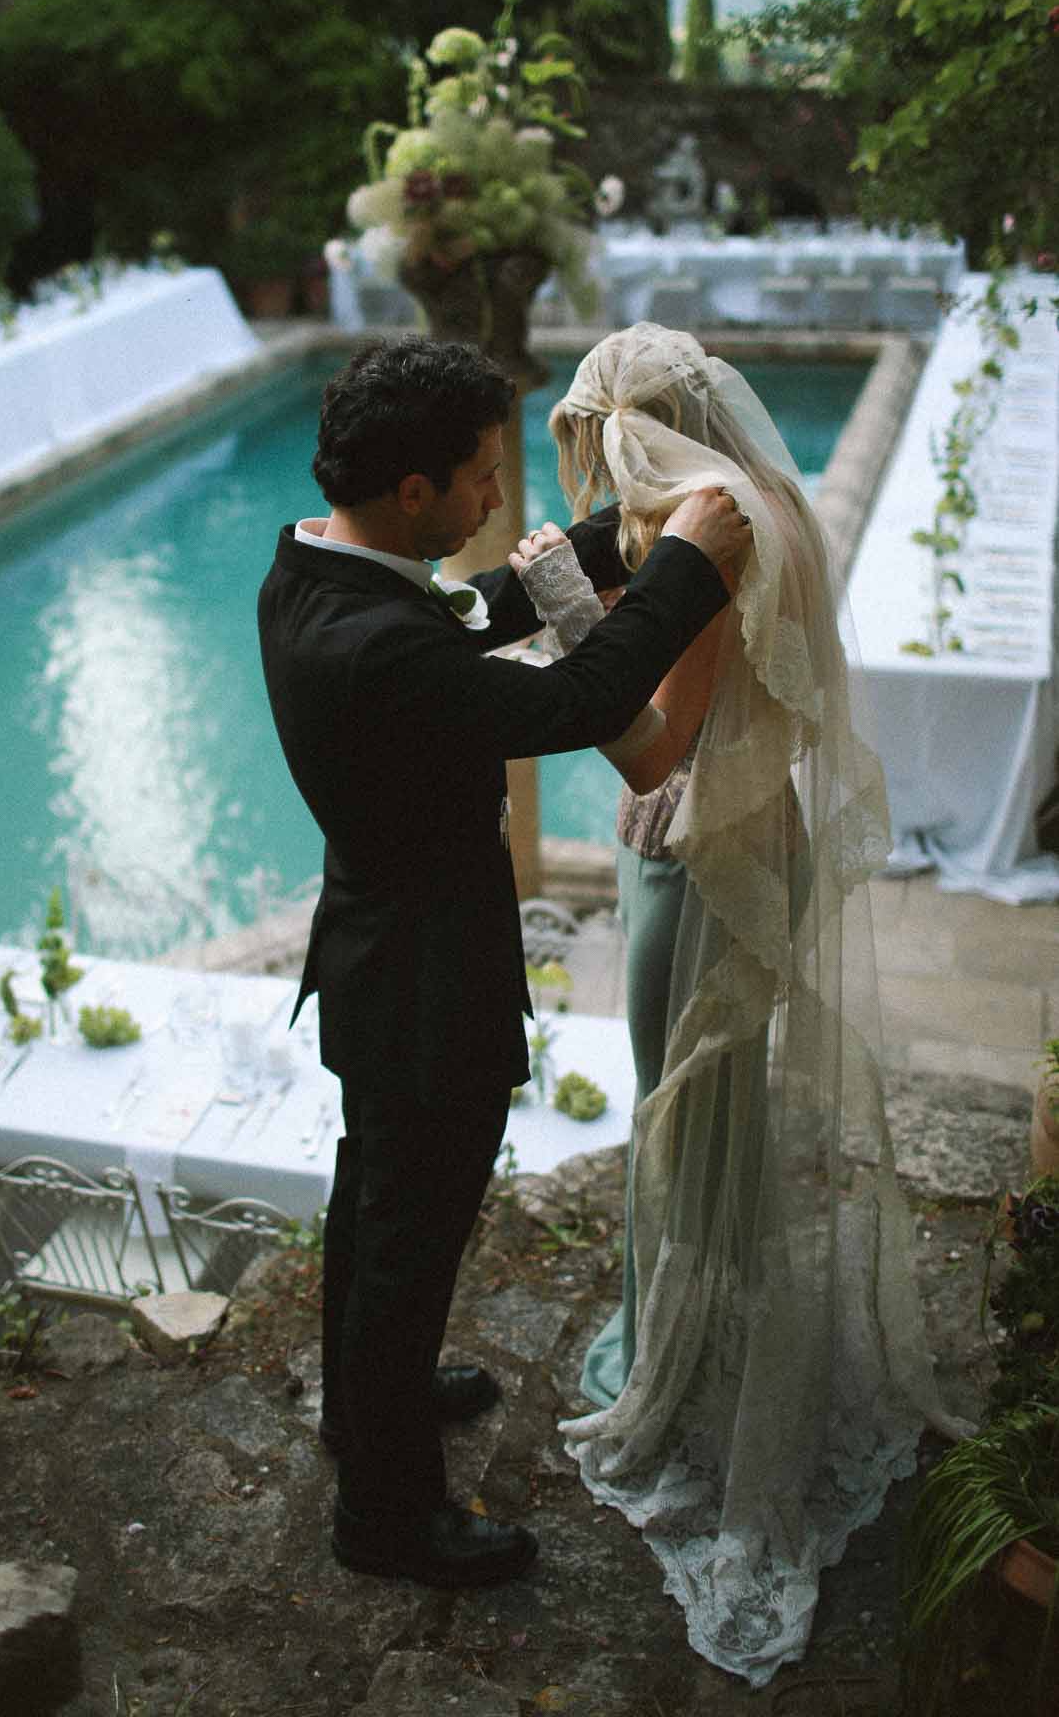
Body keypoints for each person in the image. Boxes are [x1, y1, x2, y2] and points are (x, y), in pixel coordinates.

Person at [257, 335, 751, 1592]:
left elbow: (475, 610)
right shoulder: (377, 649)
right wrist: (689, 564)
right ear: (412, 492)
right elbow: (578, 702)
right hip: (424, 983)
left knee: (376, 1209)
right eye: (479, 479)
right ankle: (387, 1517)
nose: (496, 502)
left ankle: (372, 1399)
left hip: (377, 958)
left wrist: (613, 534)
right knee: (408, 1239)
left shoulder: (317, 568)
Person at [510, 322, 963, 1681]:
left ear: (637, 430)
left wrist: (565, 609)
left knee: (679, 1098)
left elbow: (654, 739)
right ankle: (718, 1333)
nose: (596, 483)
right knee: (719, 1104)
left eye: (600, 448)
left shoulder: (704, 547)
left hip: (695, 856)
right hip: (764, 839)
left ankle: (686, 1367)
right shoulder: (773, 508)